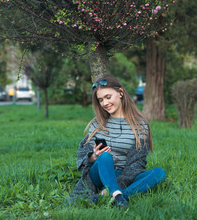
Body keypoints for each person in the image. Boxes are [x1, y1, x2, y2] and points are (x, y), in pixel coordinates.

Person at [70, 75, 166, 208]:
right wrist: (93, 156)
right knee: (105, 156)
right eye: (100, 100)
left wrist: (118, 182)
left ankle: (111, 195)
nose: (104, 103)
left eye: (108, 97)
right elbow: (82, 160)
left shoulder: (140, 125)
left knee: (159, 173)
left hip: (126, 175)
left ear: (120, 93)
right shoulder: (96, 124)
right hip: (99, 173)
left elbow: (137, 165)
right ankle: (117, 195)